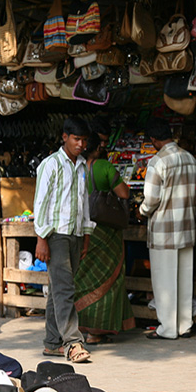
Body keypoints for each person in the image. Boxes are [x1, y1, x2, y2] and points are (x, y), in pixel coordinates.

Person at [34, 116, 94, 364]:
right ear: (65, 137)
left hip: (75, 234)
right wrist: (41, 238)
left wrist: (86, 234)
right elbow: (41, 202)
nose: (80, 144)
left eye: (84, 140)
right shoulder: (51, 164)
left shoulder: (81, 166)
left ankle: (51, 343)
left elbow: (84, 202)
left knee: (58, 290)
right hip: (55, 234)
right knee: (65, 289)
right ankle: (72, 342)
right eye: (76, 139)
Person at [139, 117, 196, 340]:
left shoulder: (158, 162)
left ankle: (167, 329)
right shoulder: (190, 159)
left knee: (165, 282)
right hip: (186, 227)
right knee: (184, 279)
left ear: (154, 139)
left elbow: (151, 199)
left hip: (164, 230)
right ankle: (184, 325)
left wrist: (142, 211)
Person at [74, 131, 135, 345]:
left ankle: (80, 327)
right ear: (98, 148)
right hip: (105, 230)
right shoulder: (105, 167)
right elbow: (124, 193)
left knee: (84, 278)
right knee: (109, 280)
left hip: (83, 228)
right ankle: (96, 332)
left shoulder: (76, 167)